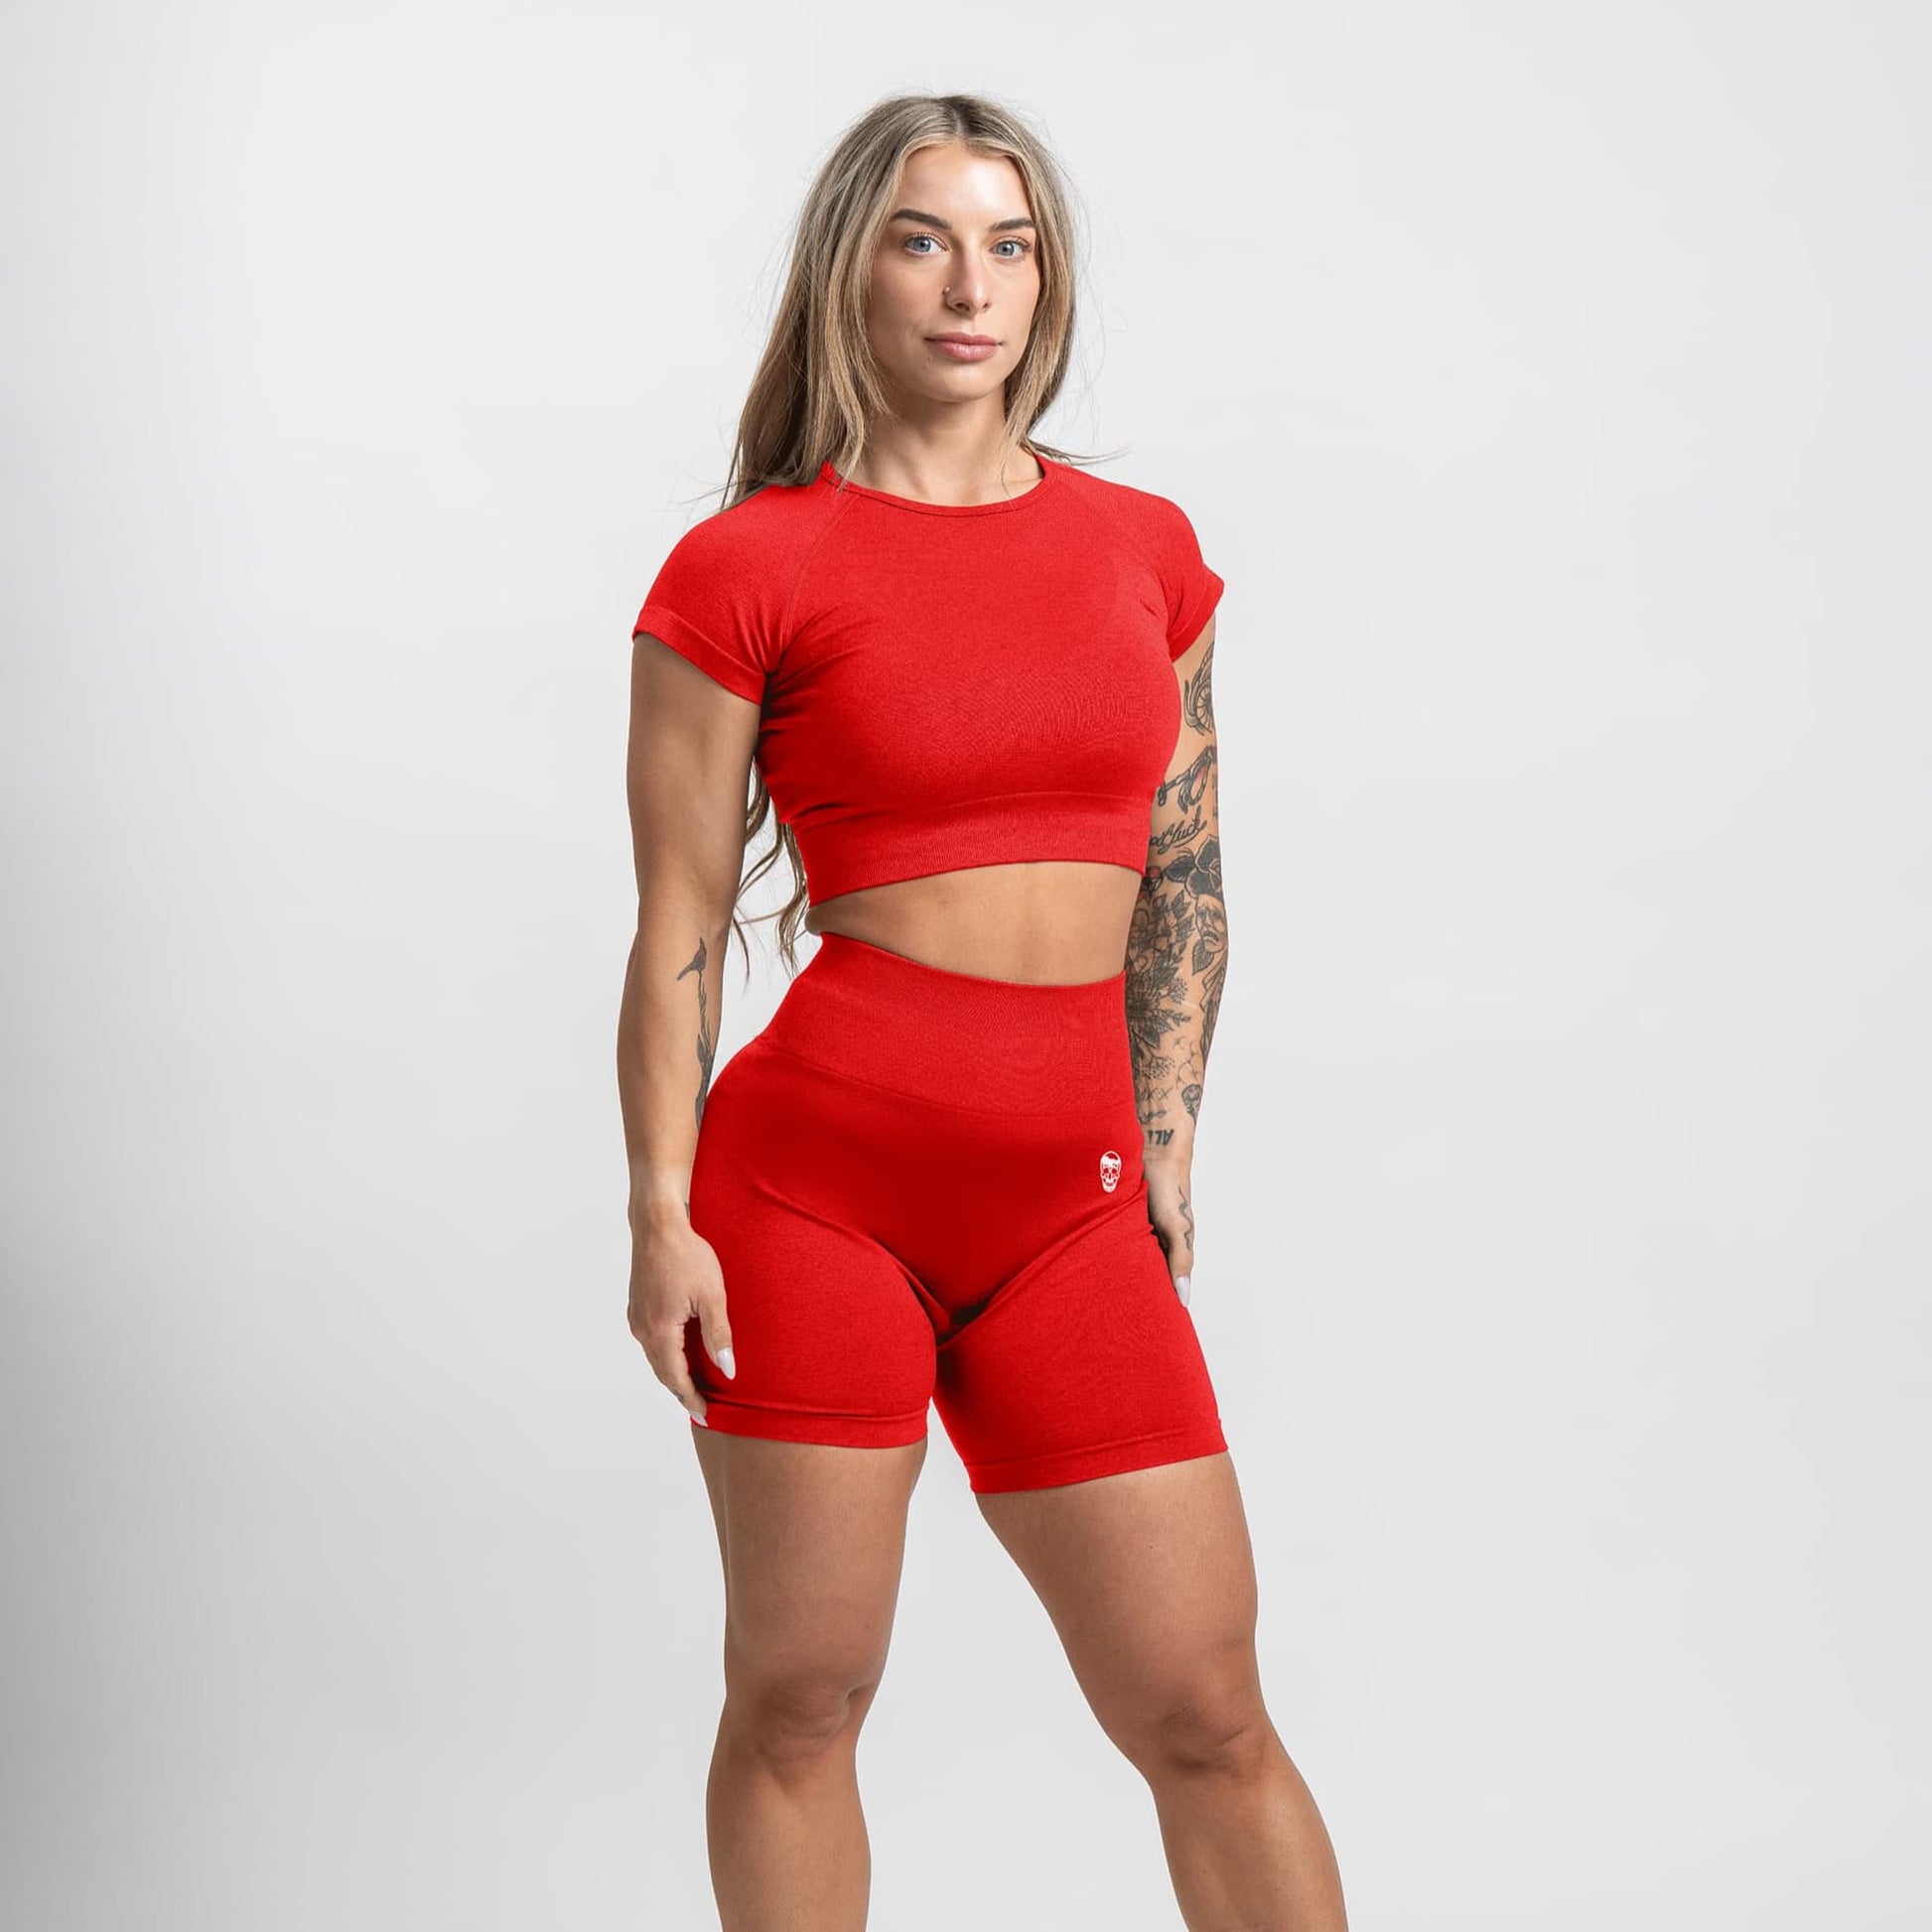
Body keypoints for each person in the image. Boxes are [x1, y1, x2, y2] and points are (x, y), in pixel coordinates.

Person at [618, 90, 1348, 1932]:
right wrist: (658, 1209)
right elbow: (678, 916)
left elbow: (1185, 878)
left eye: (1008, 244)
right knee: (802, 1693)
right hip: (812, 1196)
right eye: (923, 239)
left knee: (1205, 1709)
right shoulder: (745, 567)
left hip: (1069, 1199)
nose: (971, 286)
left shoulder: (1145, 549)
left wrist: (1164, 1141)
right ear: (849, 270)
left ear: (1047, 278)